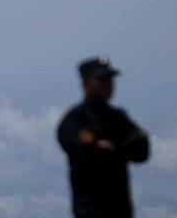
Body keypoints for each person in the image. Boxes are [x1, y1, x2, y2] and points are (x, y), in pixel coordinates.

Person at [56, 56, 150, 217]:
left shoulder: (118, 117)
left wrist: (111, 147)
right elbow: (89, 153)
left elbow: (142, 151)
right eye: (101, 80)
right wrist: (122, 148)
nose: (108, 85)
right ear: (85, 83)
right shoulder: (75, 120)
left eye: (110, 80)